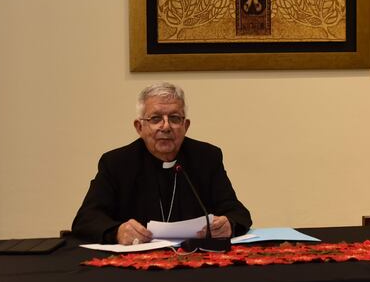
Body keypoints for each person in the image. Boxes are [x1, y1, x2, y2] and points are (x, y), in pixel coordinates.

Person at [71, 82, 252, 244]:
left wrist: (229, 224)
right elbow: (86, 218)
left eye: (174, 118)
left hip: (195, 260)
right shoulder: (117, 163)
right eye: (155, 119)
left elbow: (237, 211)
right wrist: (116, 232)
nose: (165, 127)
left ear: (185, 126)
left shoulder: (206, 157)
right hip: (134, 267)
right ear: (139, 127)